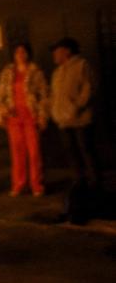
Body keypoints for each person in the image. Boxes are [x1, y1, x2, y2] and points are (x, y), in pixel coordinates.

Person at [50, 37, 100, 221]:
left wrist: (77, 106)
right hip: (64, 121)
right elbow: (54, 94)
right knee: (71, 152)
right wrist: (54, 111)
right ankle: (79, 181)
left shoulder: (81, 65)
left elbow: (89, 88)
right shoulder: (57, 73)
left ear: (67, 51)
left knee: (86, 150)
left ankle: (94, 183)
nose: (55, 54)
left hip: (80, 120)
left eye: (57, 50)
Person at [0, 43, 49, 197]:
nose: (20, 54)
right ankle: (18, 184)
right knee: (17, 152)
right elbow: (0, 93)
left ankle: (36, 185)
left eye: (23, 51)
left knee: (34, 152)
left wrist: (42, 114)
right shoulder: (8, 72)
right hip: (14, 117)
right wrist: (2, 109)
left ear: (28, 54)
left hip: (31, 116)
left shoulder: (36, 71)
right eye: (17, 52)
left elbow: (44, 95)